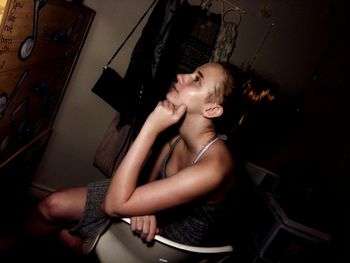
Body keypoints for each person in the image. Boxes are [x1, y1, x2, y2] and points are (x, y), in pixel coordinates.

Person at [3, 62, 276, 255]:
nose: (182, 76)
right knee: (51, 206)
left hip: (168, 241)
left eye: (197, 80)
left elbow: (114, 204)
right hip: (146, 205)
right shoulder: (179, 136)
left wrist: (151, 126)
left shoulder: (214, 167)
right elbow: (142, 182)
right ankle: (14, 244)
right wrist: (145, 206)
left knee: (64, 233)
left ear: (212, 109)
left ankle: (85, 245)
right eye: (191, 73)